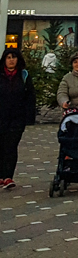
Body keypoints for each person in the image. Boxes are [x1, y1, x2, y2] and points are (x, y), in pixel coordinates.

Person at [0, 48, 37, 190]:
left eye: (14, 57)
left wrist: (29, 117)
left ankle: (8, 176)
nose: (11, 60)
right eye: (8, 57)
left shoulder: (24, 75)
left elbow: (30, 96)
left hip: (17, 118)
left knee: (11, 145)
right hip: (1, 116)